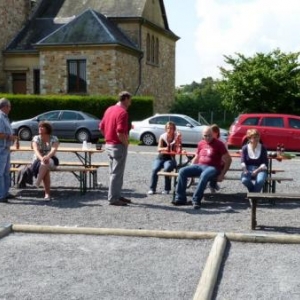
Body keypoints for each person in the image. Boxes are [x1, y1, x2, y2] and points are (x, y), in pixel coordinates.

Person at [173, 126, 232, 209]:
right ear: (202, 135)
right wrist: (191, 168)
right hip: (200, 166)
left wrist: (222, 174)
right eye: (205, 135)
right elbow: (197, 157)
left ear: (213, 134)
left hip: (213, 167)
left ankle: (196, 200)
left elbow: (229, 159)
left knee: (204, 175)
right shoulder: (201, 143)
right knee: (182, 171)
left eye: (209, 135)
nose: (207, 137)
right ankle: (180, 198)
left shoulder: (219, 144)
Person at [99, 91, 132, 206]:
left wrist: (108, 137)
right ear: (126, 99)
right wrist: (126, 143)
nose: (130, 102)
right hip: (118, 145)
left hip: (109, 144)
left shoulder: (109, 109)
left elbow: (101, 127)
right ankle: (113, 198)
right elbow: (120, 132)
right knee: (117, 173)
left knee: (113, 172)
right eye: (130, 99)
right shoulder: (123, 112)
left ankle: (116, 195)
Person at [147, 121, 181, 195]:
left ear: (174, 129)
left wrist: (178, 139)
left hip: (170, 158)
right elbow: (158, 149)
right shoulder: (162, 136)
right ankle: (152, 189)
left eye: (171, 128)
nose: (169, 130)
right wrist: (165, 148)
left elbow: (178, 148)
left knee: (167, 169)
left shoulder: (176, 137)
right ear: (165, 129)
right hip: (161, 157)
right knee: (155, 169)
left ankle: (167, 189)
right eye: (168, 128)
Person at [32, 121, 59, 200]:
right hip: (38, 160)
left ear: (47, 129)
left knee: (46, 164)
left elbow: (53, 150)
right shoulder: (36, 138)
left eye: (42, 127)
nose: (40, 128)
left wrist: (47, 157)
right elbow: (36, 150)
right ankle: (47, 195)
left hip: (51, 159)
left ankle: (38, 181)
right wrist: (42, 159)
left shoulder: (54, 138)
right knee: (45, 168)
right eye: (39, 127)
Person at [0, 98, 18, 202]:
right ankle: (1, 195)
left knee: (6, 172)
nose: (10, 109)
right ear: (5, 107)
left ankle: (5, 192)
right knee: (0, 173)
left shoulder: (4, 117)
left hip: (5, 148)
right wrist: (9, 137)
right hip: (1, 148)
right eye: (9, 106)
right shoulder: (0, 117)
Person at [241, 129, 268, 193]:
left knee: (260, 181)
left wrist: (257, 170)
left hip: (260, 169)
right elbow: (243, 161)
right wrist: (245, 170)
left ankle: (253, 197)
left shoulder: (263, 148)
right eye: (254, 137)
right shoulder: (245, 148)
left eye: (258, 137)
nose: (257, 139)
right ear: (249, 138)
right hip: (248, 169)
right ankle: (254, 193)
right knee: (244, 180)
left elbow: (265, 163)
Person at [208, 124, 227, 193]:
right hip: (210, 160)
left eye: (211, 133)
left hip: (220, 161)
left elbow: (225, 154)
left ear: (216, 133)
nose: (209, 135)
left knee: (217, 167)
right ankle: (213, 184)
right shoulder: (208, 140)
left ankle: (212, 184)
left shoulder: (222, 141)